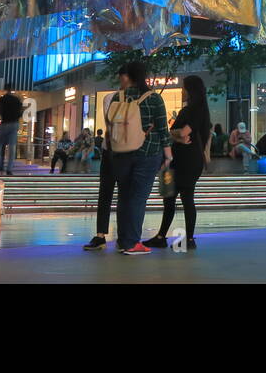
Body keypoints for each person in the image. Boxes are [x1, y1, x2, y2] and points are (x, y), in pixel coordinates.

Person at [84, 61, 171, 254]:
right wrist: (168, 154)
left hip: (120, 153)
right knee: (138, 197)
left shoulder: (117, 97)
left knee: (124, 196)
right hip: (147, 153)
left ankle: (124, 240)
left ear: (127, 76)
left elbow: (110, 125)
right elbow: (163, 129)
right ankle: (132, 243)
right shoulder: (153, 98)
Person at [144, 74, 210, 250]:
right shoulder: (201, 110)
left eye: (184, 87)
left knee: (171, 198)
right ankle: (186, 239)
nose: (182, 91)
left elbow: (182, 133)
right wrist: (177, 135)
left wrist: (172, 134)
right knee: (184, 198)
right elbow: (181, 134)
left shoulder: (192, 111)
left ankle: (164, 237)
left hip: (182, 160)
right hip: (190, 160)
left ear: (190, 90)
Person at [0, 85, 24, 176]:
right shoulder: (17, 100)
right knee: (12, 147)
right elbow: (20, 113)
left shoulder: (2, 99)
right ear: (13, 89)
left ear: (5, 89)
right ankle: (9, 169)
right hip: (14, 124)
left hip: (4, 123)